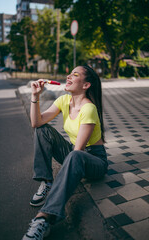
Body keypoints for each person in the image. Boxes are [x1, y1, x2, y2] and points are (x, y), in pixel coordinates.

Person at [22, 65, 108, 240]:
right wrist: (35, 96)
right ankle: (46, 182)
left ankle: (44, 218)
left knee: (75, 155)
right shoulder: (64, 100)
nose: (68, 77)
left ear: (86, 85)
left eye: (75, 75)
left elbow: (79, 151)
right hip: (74, 154)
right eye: (69, 73)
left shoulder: (88, 108)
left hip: (94, 160)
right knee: (42, 130)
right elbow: (36, 122)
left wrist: (64, 181)